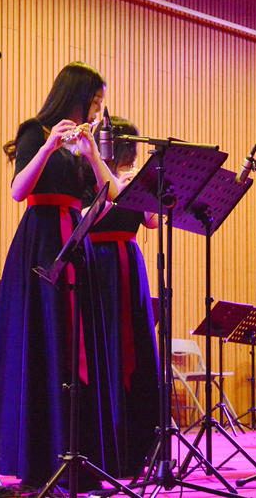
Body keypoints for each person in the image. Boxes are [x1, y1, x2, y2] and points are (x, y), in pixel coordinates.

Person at [0, 62, 119, 489]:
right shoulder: (35, 131)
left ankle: (79, 457)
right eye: (94, 101)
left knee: (77, 348)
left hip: (76, 244)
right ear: (75, 97)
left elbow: (112, 197)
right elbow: (18, 190)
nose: (98, 111)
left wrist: (93, 156)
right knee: (42, 345)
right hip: (40, 241)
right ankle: (38, 460)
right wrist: (49, 145)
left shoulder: (86, 147)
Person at [82, 117, 159, 478]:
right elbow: (82, 219)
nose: (128, 158)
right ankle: (104, 444)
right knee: (105, 349)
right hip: (98, 262)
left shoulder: (130, 177)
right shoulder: (86, 175)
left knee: (136, 349)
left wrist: (145, 189)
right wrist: (116, 193)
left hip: (128, 262)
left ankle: (138, 447)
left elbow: (152, 221)